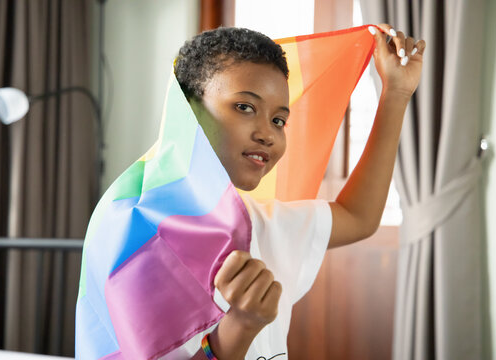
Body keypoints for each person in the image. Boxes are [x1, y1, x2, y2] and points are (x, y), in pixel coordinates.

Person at [163, 24, 425, 360]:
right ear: (189, 111)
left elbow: (358, 217)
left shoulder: (260, 222)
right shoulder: (139, 238)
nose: (268, 134)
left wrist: (397, 94)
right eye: (244, 107)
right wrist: (240, 325)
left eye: (279, 120)